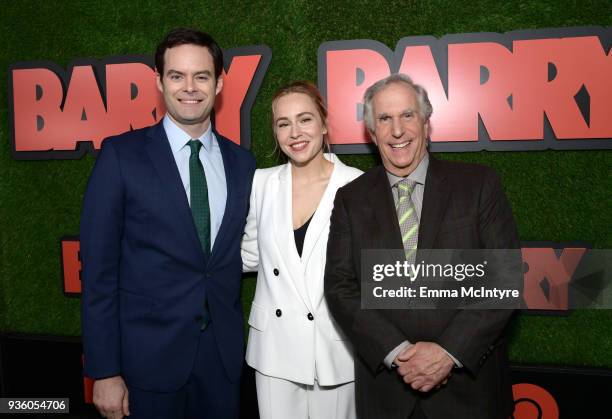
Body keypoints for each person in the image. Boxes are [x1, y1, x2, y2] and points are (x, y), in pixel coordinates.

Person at [80, 28, 255, 419]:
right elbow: (98, 273)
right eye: (177, 76)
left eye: (202, 76)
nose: (189, 87)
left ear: (220, 82)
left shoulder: (243, 164)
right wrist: (105, 371)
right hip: (148, 364)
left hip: (223, 365)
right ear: (159, 82)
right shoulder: (121, 157)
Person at [324, 73, 520, 419]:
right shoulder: (350, 200)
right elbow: (340, 287)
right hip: (388, 394)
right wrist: (397, 351)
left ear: (426, 123)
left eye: (408, 115)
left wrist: (447, 353)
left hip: (469, 395)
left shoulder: (478, 185)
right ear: (372, 132)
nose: (397, 130)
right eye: (384, 119)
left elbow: (504, 280)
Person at [241, 81, 362, 419]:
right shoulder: (261, 183)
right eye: (283, 123)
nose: (295, 132)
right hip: (273, 350)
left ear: (324, 124)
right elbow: (250, 254)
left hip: (334, 350)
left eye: (305, 119)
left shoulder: (357, 184)